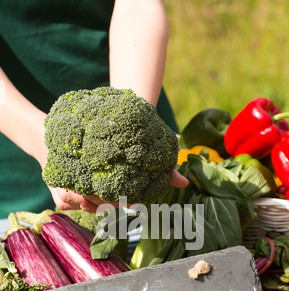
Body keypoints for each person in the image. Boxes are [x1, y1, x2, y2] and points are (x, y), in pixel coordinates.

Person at [0, 0, 188, 219]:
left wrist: (134, 118)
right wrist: (44, 139)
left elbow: (138, 5)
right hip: (13, 164)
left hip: (136, 81)